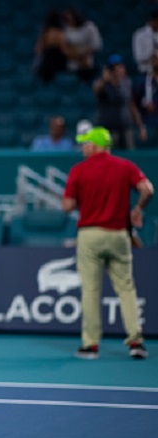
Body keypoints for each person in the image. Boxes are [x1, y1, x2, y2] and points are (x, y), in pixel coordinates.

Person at [62, 127, 153, 360]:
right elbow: (147, 189)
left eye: (86, 144)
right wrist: (138, 209)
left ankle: (90, 345)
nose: (83, 148)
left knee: (91, 291)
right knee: (126, 288)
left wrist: (81, 197)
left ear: (97, 145)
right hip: (119, 235)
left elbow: (68, 206)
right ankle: (136, 341)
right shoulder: (125, 166)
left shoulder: (79, 171)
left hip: (90, 235)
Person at [93, 55, 146, 150]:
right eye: (114, 69)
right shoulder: (103, 85)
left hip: (126, 127)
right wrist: (104, 80)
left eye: (120, 67)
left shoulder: (127, 83)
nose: (117, 71)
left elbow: (131, 105)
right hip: (109, 128)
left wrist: (140, 126)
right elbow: (96, 89)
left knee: (129, 155)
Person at [63, 7, 102, 82]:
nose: (70, 21)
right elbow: (65, 48)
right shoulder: (66, 30)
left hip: (87, 64)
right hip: (72, 66)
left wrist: (84, 53)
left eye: (71, 19)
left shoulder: (89, 27)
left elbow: (97, 45)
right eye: (67, 19)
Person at [34, 9, 68, 83]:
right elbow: (64, 50)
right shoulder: (60, 33)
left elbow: (38, 49)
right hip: (58, 61)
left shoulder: (45, 32)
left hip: (47, 61)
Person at [133, 51, 158, 143]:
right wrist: (140, 127)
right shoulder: (142, 81)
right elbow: (133, 104)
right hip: (148, 126)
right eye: (154, 58)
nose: (156, 61)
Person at [133, 10, 158, 74]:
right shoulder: (140, 34)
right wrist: (150, 56)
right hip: (145, 71)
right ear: (152, 20)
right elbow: (138, 57)